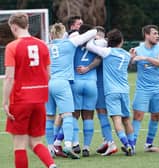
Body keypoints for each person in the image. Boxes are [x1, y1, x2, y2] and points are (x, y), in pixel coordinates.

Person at [2, 13, 57, 168]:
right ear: (27, 25)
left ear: (13, 27)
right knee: (35, 141)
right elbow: (49, 74)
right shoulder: (42, 45)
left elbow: (9, 77)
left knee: (19, 144)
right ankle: (52, 166)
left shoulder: (12, 47)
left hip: (20, 99)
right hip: (39, 99)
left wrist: (5, 102)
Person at [45, 22, 97, 159]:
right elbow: (93, 32)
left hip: (49, 83)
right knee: (67, 115)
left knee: (49, 117)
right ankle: (68, 145)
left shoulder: (47, 46)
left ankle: (50, 148)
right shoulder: (69, 43)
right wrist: (70, 36)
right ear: (64, 34)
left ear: (51, 35)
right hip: (63, 83)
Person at [86, 28, 135, 156]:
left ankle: (126, 145)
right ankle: (132, 145)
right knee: (127, 120)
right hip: (124, 90)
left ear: (109, 41)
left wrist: (94, 38)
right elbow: (131, 61)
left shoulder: (107, 52)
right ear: (122, 41)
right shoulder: (126, 55)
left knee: (116, 120)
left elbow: (89, 46)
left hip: (111, 92)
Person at [77, 26, 115, 156]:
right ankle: (106, 141)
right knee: (98, 114)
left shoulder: (100, 44)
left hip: (98, 83)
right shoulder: (100, 45)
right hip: (97, 83)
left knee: (99, 113)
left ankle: (110, 142)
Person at [131, 25, 159, 152]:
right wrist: (131, 58)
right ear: (147, 35)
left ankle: (149, 145)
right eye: (154, 33)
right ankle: (132, 145)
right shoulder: (137, 49)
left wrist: (145, 58)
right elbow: (129, 64)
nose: (157, 36)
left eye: (158, 34)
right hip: (142, 89)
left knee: (156, 116)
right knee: (138, 116)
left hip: (158, 89)